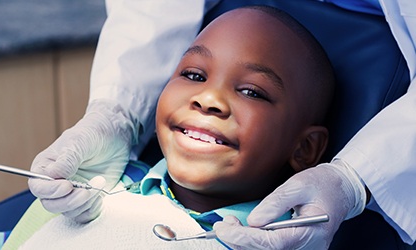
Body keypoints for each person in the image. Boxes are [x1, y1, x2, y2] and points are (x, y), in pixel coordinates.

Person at [27, 0, 416, 249]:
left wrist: (352, 179)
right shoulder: (85, 193)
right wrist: (116, 113)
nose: (209, 99)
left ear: (305, 149)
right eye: (194, 76)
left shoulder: (283, 240)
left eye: (251, 92)